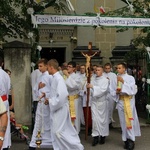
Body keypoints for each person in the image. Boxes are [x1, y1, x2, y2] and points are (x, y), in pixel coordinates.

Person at [43, 59, 84, 150]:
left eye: (47, 68)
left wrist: (50, 101)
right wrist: (48, 98)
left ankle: (76, 147)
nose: (46, 70)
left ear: (51, 67)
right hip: (57, 108)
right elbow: (55, 93)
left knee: (59, 131)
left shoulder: (59, 79)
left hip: (60, 109)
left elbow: (62, 96)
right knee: (57, 131)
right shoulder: (55, 78)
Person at [116, 62, 141, 150]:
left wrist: (123, 82)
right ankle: (125, 139)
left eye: (119, 68)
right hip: (120, 101)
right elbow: (111, 89)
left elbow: (132, 90)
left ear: (124, 69)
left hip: (128, 101)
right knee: (123, 121)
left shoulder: (130, 78)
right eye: (117, 68)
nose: (118, 70)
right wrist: (116, 92)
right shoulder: (115, 78)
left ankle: (131, 140)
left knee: (129, 121)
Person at [29, 59, 52, 150]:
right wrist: (38, 87)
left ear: (46, 66)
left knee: (48, 123)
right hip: (40, 103)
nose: (39, 68)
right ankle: (34, 143)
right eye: (38, 66)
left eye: (41, 66)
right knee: (38, 123)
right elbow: (35, 89)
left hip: (47, 104)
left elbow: (53, 91)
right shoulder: (40, 76)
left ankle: (50, 142)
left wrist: (47, 95)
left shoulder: (50, 77)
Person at [86, 65, 109, 146]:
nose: (97, 71)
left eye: (99, 70)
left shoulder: (105, 80)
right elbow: (90, 90)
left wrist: (93, 87)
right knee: (95, 119)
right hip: (94, 102)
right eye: (96, 70)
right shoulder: (92, 79)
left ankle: (103, 136)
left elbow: (103, 90)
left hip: (102, 103)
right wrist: (88, 87)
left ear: (102, 71)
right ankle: (95, 136)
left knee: (102, 120)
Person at [63, 61, 81, 134]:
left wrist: (67, 75)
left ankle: (75, 132)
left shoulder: (77, 76)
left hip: (74, 100)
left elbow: (73, 86)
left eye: (70, 67)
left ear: (74, 68)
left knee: (74, 117)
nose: (68, 68)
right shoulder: (64, 76)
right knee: (67, 117)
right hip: (66, 100)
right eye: (67, 66)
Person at [0, 57, 11, 150]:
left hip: (2, 100)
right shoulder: (5, 75)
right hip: (4, 100)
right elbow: (8, 89)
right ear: (2, 64)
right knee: (4, 123)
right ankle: (4, 144)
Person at [103, 63, 117, 129]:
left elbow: (115, 83)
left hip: (111, 93)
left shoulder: (113, 75)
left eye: (108, 68)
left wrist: (109, 81)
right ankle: (105, 122)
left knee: (111, 107)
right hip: (104, 93)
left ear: (110, 68)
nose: (107, 70)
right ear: (104, 68)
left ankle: (110, 122)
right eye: (106, 68)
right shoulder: (102, 74)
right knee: (104, 107)